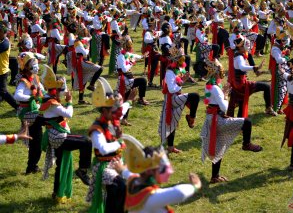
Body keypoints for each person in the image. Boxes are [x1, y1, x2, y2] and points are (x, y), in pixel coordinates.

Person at [200, 58, 263, 183]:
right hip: (217, 120)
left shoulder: (209, 85)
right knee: (247, 122)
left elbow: (211, 103)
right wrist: (225, 95)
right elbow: (224, 107)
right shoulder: (215, 88)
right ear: (217, 73)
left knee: (219, 147)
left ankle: (215, 176)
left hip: (212, 118)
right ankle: (246, 144)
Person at [40, 65, 92, 203]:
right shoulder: (52, 103)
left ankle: (57, 193)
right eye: (60, 91)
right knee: (86, 141)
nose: (62, 94)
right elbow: (69, 114)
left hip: (54, 136)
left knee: (61, 164)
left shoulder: (47, 98)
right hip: (58, 137)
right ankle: (82, 170)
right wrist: (69, 102)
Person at [111, 134, 201, 212]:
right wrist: (195, 186)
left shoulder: (133, 182)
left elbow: (129, 174)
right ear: (149, 171)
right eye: (161, 168)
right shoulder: (152, 197)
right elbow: (180, 193)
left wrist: (122, 169)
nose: (169, 171)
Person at [87, 77, 135, 213]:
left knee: (130, 185)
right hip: (103, 167)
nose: (116, 113)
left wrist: (129, 101)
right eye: (112, 110)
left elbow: (122, 110)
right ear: (104, 111)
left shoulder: (111, 120)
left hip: (117, 162)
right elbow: (102, 149)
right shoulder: (97, 130)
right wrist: (119, 142)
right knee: (119, 186)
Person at [158, 46, 200, 153]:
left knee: (172, 122)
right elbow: (172, 89)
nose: (183, 61)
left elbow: (178, 82)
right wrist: (182, 82)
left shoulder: (177, 70)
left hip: (176, 97)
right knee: (195, 96)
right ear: (176, 61)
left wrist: (183, 79)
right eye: (181, 59)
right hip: (172, 100)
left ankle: (170, 147)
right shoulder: (169, 72)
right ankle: (191, 118)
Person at [14, 52, 44, 174]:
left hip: (35, 110)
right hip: (28, 113)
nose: (35, 65)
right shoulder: (23, 81)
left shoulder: (35, 78)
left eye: (35, 62)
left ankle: (32, 166)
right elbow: (17, 95)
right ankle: (32, 166)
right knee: (36, 140)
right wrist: (31, 97)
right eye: (32, 63)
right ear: (26, 66)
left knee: (36, 140)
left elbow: (41, 91)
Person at [0, 21, 18, 110]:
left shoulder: (5, 43)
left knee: (3, 91)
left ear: (4, 32)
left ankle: (17, 107)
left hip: (2, 71)